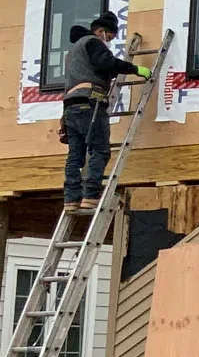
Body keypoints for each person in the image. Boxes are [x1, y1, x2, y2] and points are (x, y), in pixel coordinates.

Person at [58, 13, 151, 212]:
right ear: (101, 31)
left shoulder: (73, 51)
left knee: (75, 155)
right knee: (99, 150)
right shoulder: (93, 42)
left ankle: (71, 198)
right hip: (90, 103)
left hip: (71, 107)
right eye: (108, 37)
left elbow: (94, 70)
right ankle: (91, 195)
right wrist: (135, 69)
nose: (108, 42)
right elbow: (106, 63)